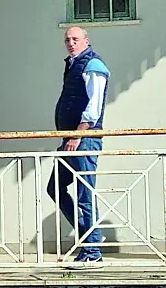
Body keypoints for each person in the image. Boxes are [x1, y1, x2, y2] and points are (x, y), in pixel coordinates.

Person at [47, 26, 110, 269]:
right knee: (55, 187)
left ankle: (92, 252)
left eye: (75, 39)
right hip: (70, 140)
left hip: (83, 139)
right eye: (67, 40)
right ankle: (90, 236)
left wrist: (77, 135)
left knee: (85, 194)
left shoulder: (93, 64)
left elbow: (94, 107)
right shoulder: (73, 64)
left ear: (86, 40)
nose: (71, 43)